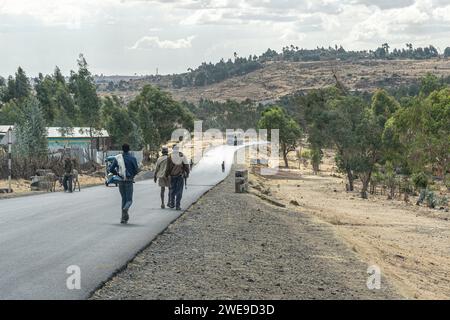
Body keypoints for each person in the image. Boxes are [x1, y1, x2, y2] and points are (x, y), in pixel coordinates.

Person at [109, 144, 139, 224]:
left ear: (122, 149)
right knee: (129, 200)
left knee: (124, 199)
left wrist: (118, 174)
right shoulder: (133, 158)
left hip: (120, 181)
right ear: (129, 149)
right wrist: (132, 175)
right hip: (129, 181)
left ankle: (123, 218)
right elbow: (136, 170)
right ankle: (125, 209)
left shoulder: (118, 158)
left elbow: (111, 169)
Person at [165, 145, 190, 210]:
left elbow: (167, 168)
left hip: (172, 176)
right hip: (180, 176)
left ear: (173, 149)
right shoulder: (182, 155)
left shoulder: (169, 156)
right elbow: (186, 165)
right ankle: (177, 205)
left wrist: (166, 175)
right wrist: (187, 173)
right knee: (179, 191)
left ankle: (172, 204)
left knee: (172, 190)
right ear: (178, 149)